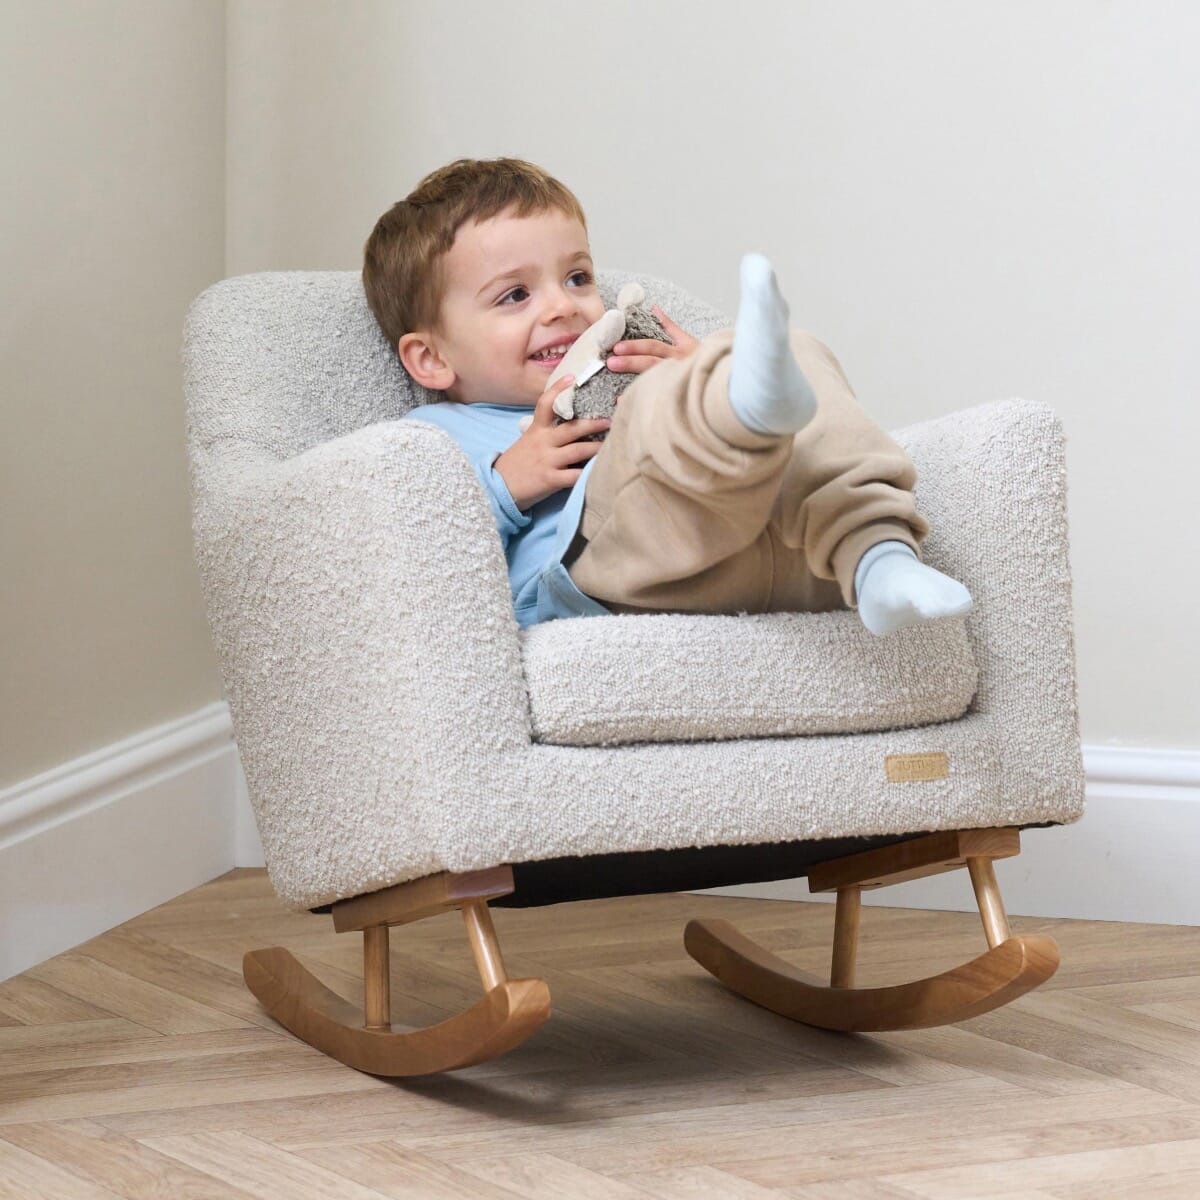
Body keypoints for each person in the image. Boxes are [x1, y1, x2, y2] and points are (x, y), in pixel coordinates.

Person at [362, 158, 972, 635]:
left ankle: (877, 560)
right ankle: (726, 401)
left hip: (731, 558)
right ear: (432, 358)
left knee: (797, 354)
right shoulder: (433, 438)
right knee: (660, 411)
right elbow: (400, 559)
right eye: (514, 295)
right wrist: (508, 483)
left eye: (577, 277)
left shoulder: (626, 365)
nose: (563, 306)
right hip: (602, 577)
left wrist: (698, 370)